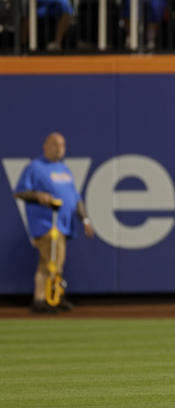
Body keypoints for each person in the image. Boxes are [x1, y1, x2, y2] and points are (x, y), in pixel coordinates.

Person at [12, 132, 94, 314]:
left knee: (54, 260)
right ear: (45, 146)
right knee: (52, 260)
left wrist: (85, 220)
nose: (60, 149)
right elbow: (19, 192)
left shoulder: (64, 170)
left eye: (62, 145)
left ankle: (51, 297)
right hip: (45, 223)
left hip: (63, 224)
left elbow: (76, 198)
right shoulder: (35, 167)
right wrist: (37, 195)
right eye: (55, 145)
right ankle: (45, 298)